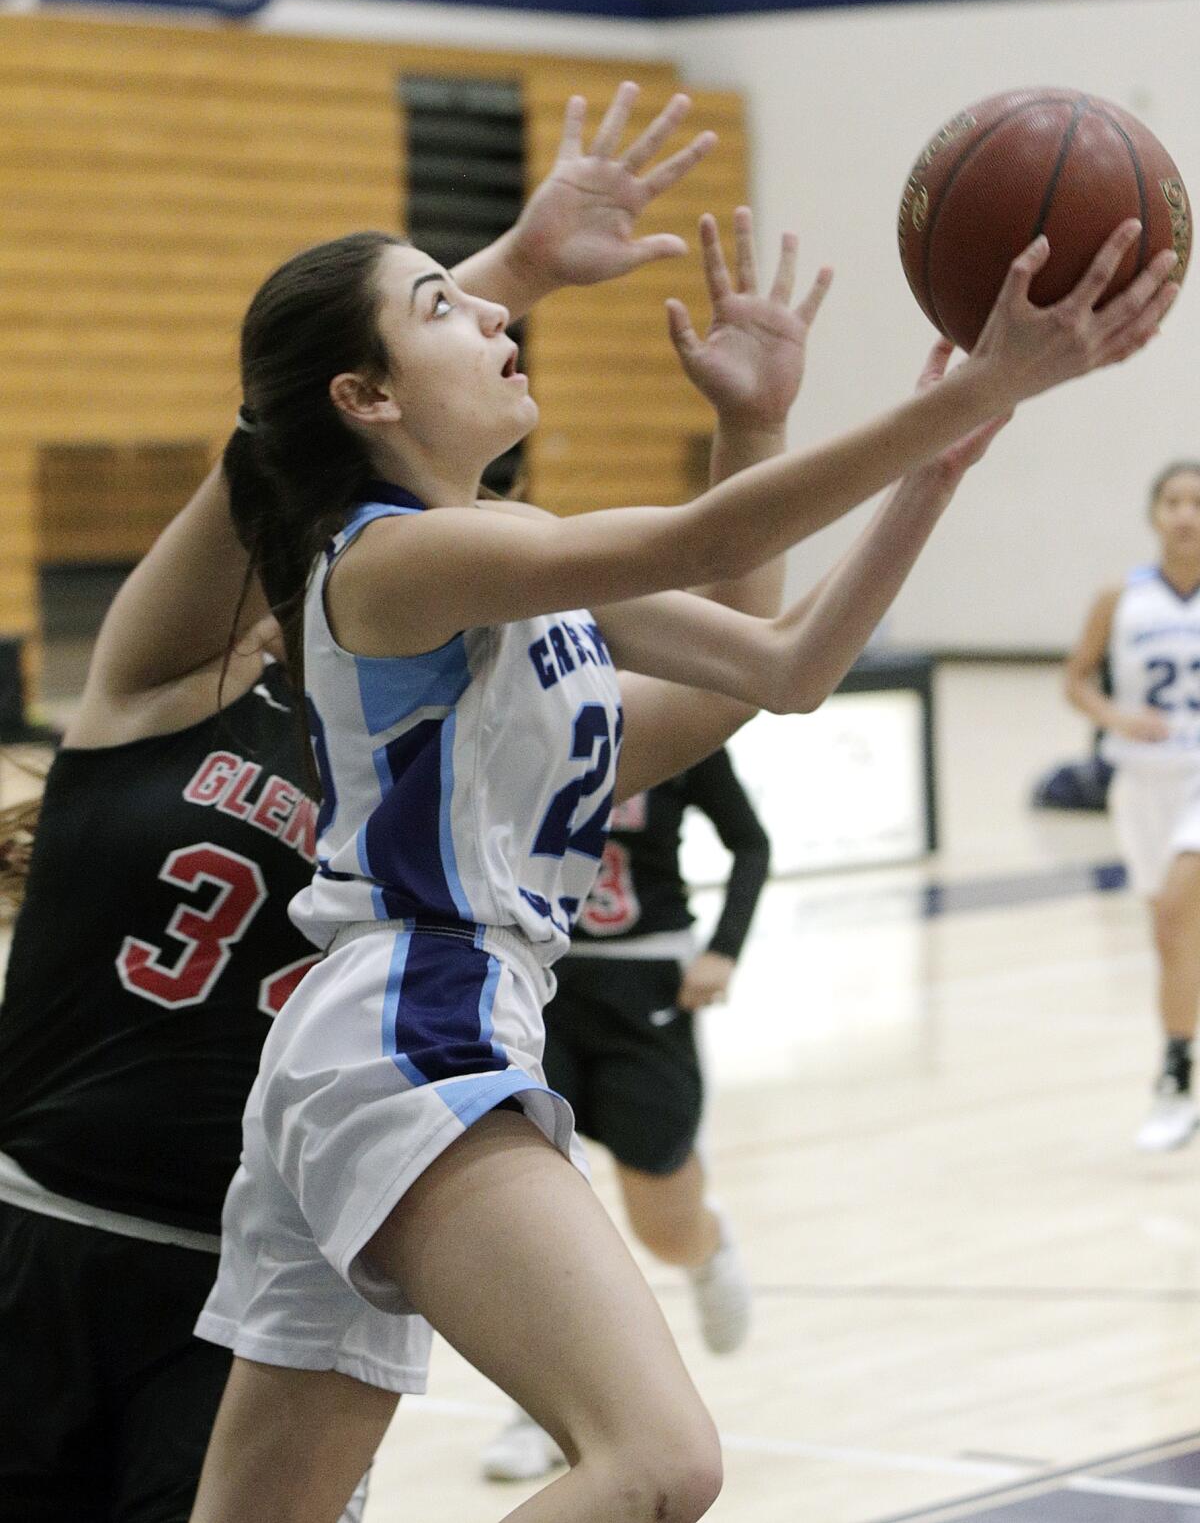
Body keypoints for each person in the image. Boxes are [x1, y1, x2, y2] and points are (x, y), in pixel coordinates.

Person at [187, 134, 1176, 1521]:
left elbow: (778, 667)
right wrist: (987, 381)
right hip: (413, 1025)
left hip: (368, 1040)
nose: (490, 312)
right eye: (439, 306)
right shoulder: (395, 554)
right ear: (363, 398)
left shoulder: (514, 580)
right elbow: (702, 550)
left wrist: (898, 458)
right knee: (659, 1461)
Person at [0, 81, 735, 1523]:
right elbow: (277, 450)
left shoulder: (469, 760)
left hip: (241, 1288)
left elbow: (746, 678)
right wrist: (507, 269)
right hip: (31, 1235)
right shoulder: (163, 687)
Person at [482, 744, 769, 1484]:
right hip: (539, 978)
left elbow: (750, 841)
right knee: (537, 1218)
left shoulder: (676, 716)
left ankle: (705, 1246)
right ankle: (540, 1408)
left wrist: (726, 950)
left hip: (650, 986)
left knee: (661, 1227)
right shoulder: (516, 707)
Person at [1065, 461, 1200, 1152]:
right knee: (1172, 934)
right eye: (1173, 500)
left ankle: (1174, 1078)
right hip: (1140, 781)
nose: (1185, 513)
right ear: (1154, 514)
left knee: (1180, 909)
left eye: (1197, 502)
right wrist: (1115, 715)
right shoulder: (1120, 596)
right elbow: (1076, 679)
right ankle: (1182, 1059)